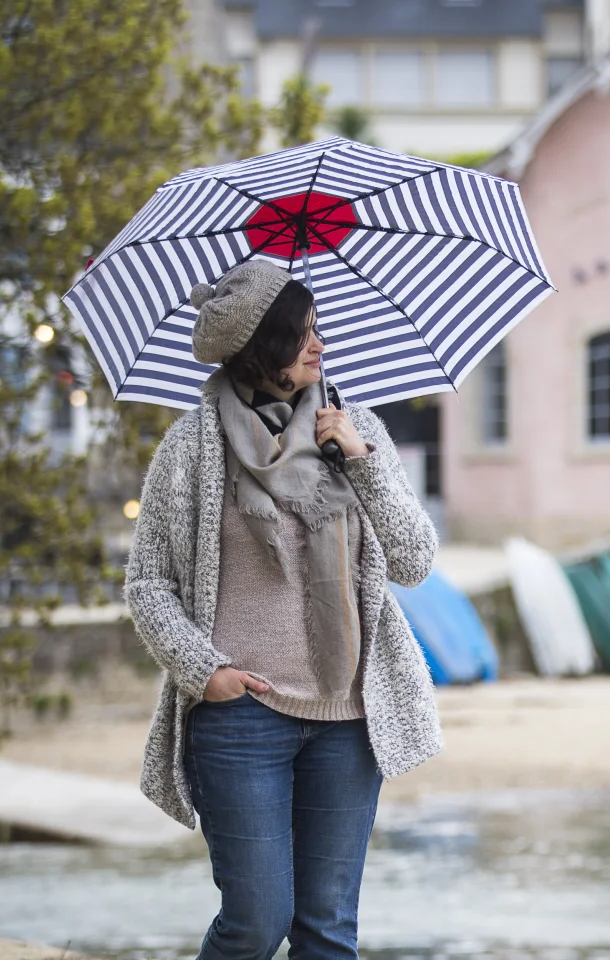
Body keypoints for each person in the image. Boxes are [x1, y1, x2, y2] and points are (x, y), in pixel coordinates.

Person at [123, 260, 442, 959]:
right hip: (242, 720)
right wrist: (205, 672)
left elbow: (416, 560)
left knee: (328, 931)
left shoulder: (358, 430)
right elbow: (147, 583)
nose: (318, 346)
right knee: (257, 921)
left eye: (318, 331)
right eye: (302, 334)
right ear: (259, 344)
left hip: (349, 719)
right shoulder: (191, 446)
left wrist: (359, 460)